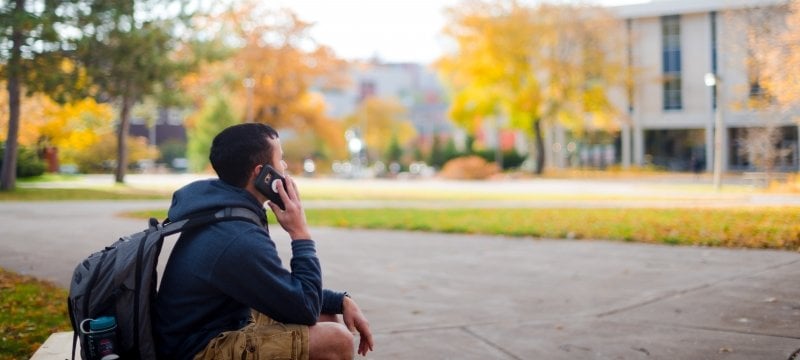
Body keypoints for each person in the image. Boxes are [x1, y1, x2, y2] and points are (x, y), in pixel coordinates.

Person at [154, 123, 373, 360]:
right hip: (194, 350)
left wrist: (339, 300)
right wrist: (300, 234)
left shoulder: (225, 210)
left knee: (327, 315)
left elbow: (282, 291)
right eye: (281, 160)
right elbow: (305, 309)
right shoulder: (238, 236)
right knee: (336, 340)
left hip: (209, 327)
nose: (286, 167)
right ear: (262, 174)